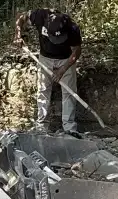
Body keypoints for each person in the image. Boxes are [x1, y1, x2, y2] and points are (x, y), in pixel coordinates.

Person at [14, 8, 82, 136]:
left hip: (66, 60)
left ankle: (69, 128)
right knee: (43, 90)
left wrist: (62, 70)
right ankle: (42, 126)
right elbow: (20, 17)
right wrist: (18, 35)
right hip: (45, 59)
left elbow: (76, 51)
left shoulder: (72, 28)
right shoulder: (40, 16)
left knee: (69, 92)